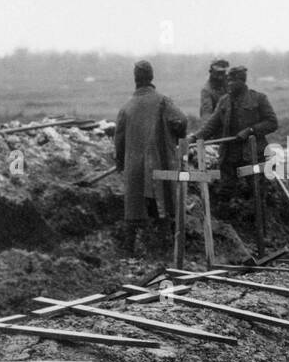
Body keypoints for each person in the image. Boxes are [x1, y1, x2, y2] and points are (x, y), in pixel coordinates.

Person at [114, 60, 188, 255]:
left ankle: (129, 249)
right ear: (151, 77)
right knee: (162, 203)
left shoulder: (127, 107)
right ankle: (164, 248)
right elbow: (181, 121)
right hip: (158, 162)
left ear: (135, 79)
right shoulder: (163, 101)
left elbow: (118, 139)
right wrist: (176, 138)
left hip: (134, 166)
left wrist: (120, 162)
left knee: (134, 208)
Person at [194, 65, 278, 219]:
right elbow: (211, 125)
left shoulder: (259, 98)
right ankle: (226, 231)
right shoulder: (224, 101)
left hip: (252, 156)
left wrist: (250, 130)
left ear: (242, 81)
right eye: (228, 80)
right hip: (229, 157)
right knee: (224, 192)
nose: (229, 84)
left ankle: (262, 233)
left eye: (232, 81)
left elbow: (272, 122)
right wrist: (194, 138)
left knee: (257, 194)